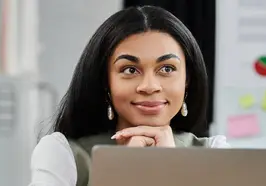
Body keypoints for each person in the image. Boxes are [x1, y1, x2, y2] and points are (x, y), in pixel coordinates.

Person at [29, 6, 229, 186]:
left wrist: (172, 168)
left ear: (187, 80)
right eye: (130, 70)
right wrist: (125, 171)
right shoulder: (62, 155)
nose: (149, 86)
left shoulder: (217, 154)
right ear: (106, 81)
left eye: (167, 68)